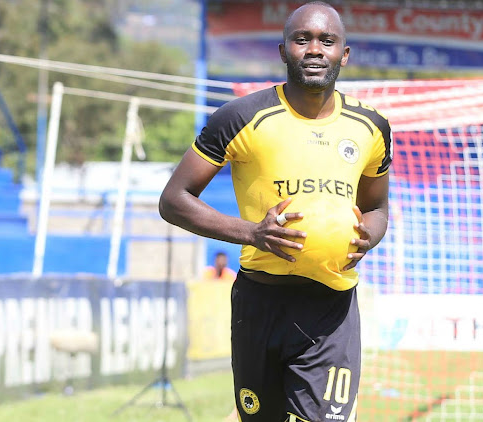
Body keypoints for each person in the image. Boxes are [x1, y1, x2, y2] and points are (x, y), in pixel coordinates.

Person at [159, 2, 391, 421]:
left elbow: (376, 207)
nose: (315, 50)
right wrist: (252, 233)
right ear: (284, 51)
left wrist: (368, 236)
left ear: (345, 53)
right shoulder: (240, 117)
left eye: (327, 40)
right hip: (259, 303)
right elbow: (174, 200)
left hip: (331, 308)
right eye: (302, 40)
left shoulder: (371, 126)